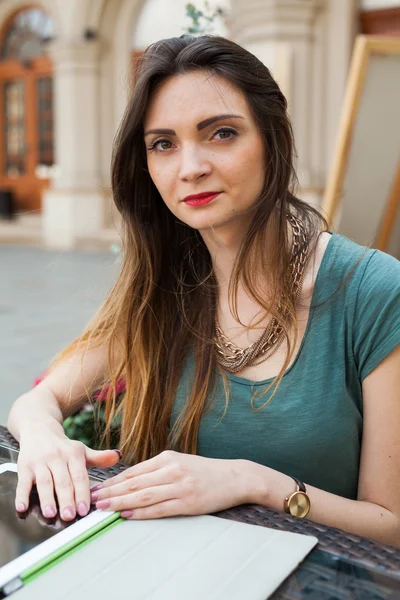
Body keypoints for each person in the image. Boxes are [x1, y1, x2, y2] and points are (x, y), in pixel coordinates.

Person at [7, 35, 400, 546]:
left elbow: (390, 526)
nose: (190, 167)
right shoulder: (164, 285)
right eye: (163, 144)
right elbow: (39, 399)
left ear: (271, 138)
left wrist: (253, 482)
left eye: (220, 133)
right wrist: (43, 435)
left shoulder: (371, 290)